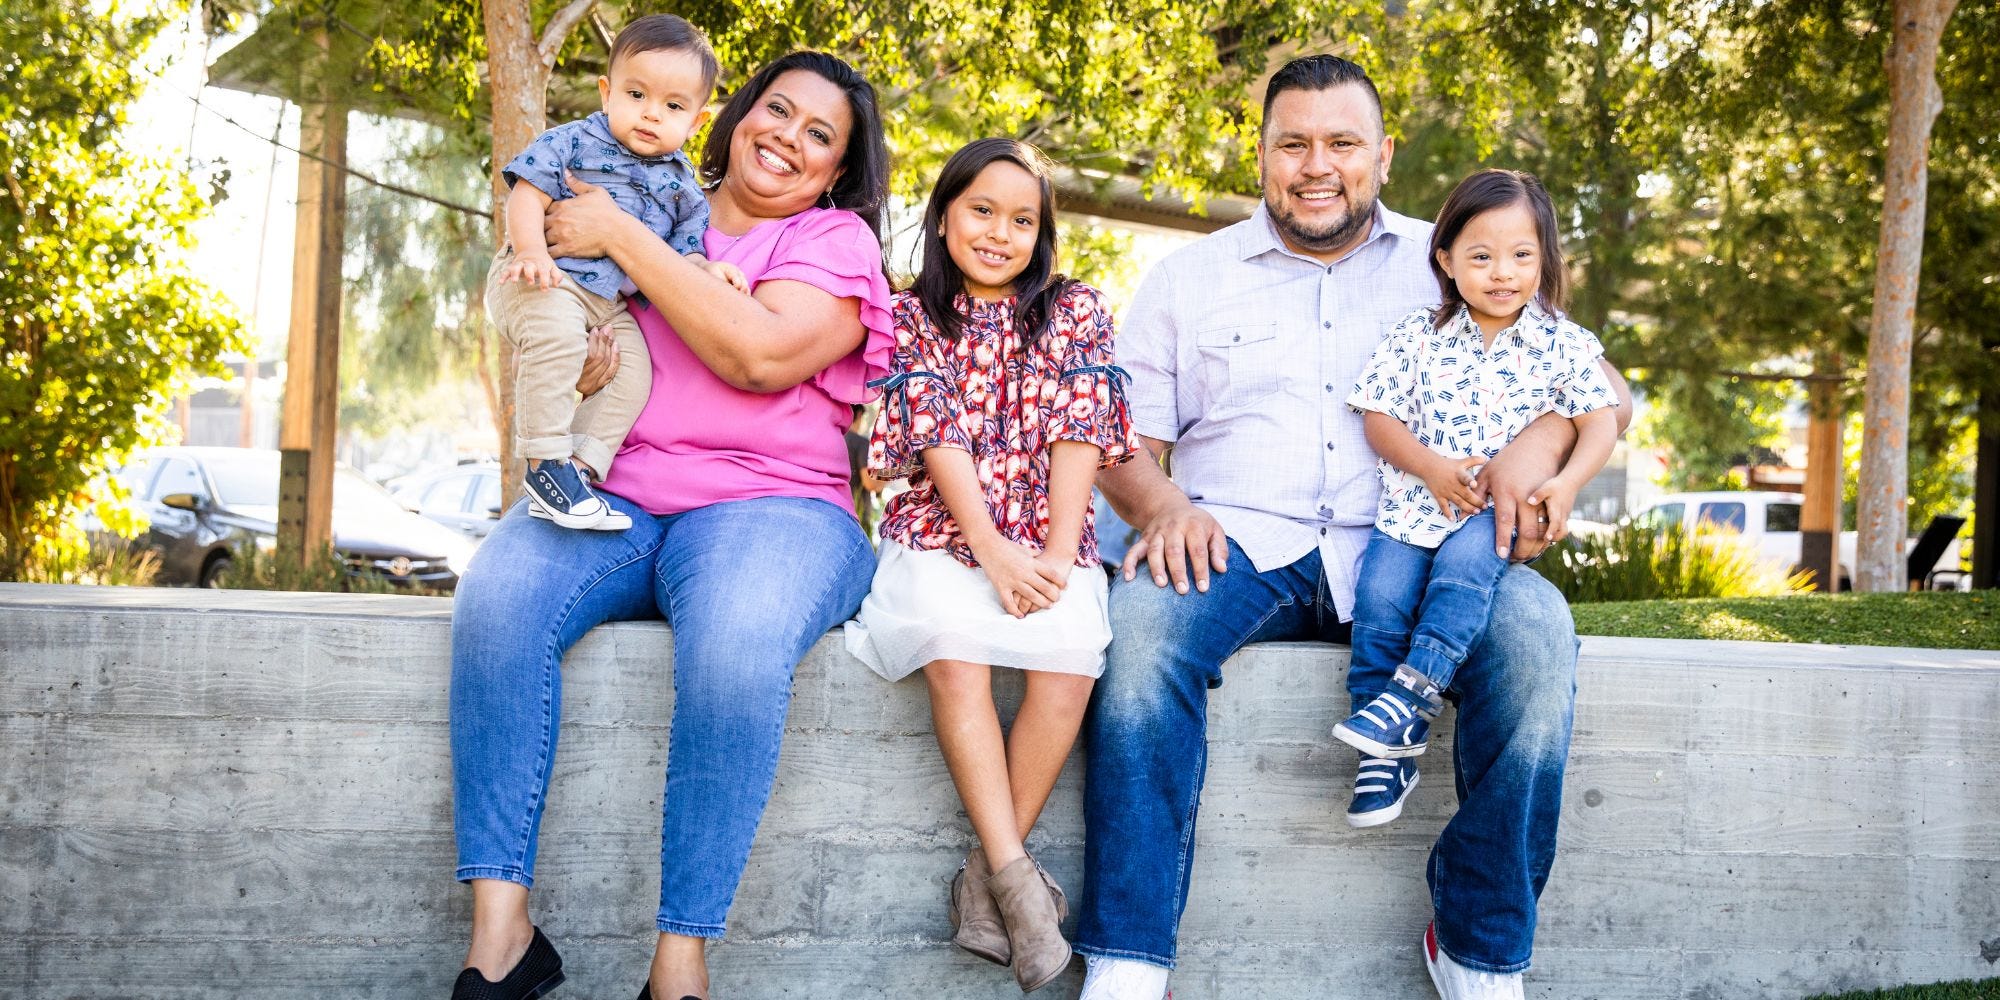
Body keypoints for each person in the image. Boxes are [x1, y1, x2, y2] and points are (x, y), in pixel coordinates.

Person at [1073, 56, 1632, 1000]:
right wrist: (1162, 506)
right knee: (1143, 633)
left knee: (1538, 638)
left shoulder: (1462, 256)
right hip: (1242, 545)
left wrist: (1531, 477)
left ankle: (1478, 948)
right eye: (1292, 143)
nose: (1315, 164)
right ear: (1260, 153)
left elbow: (1595, 396)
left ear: (1382, 154)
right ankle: (1129, 960)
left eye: (1341, 143)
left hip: (1431, 543)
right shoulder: (1187, 279)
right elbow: (1117, 442)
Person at [448, 50, 893, 1000]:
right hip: (618, 487)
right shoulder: (647, 189)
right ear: (737, 116)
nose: (789, 138)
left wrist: (617, 232)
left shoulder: (832, 244)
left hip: (771, 506)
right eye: (778, 111)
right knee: (497, 598)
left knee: (734, 646)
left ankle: (678, 967)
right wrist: (581, 365)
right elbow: (555, 308)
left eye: (821, 135)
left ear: (836, 172)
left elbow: (757, 357)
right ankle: (501, 942)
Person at [843, 138, 1138, 994]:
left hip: (1051, 530)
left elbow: (1081, 426)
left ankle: (983, 880)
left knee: (1069, 662)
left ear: (1043, 233)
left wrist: (1050, 554)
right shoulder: (908, 316)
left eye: (1023, 219)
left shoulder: (1076, 308)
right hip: (943, 528)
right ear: (943, 217)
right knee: (953, 651)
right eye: (982, 210)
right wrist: (992, 551)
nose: (1000, 233)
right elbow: (933, 432)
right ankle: (1020, 889)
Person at [1335, 168, 1620, 828]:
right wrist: (1431, 468)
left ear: (1545, 258)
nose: (1503, 273)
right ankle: (1384, 745)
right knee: (1378, 599)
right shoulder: (1418, 335)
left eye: (1523, 255)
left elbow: (1600, 419)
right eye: (1482, 256)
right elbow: (1379, 417)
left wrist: (1567, 482)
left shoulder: (1564, 343)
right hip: (1412, 508)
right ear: (1447, 260)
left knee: (1462, 579)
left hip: (1492, 517)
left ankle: (1413, 692)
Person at [486, 14, 748, 531]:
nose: (651, 114)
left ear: (696, 121)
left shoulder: (684, 188)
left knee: (634, 372)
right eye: (636, 95)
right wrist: (532, 251)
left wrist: (709, 270)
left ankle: (578, 470)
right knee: (558, 339)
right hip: (543, 278)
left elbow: (681, 258)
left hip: (606, 304)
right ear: (607, 92)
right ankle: (543, 465)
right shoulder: (575, 141)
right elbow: (526, 195)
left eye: (672, 106)